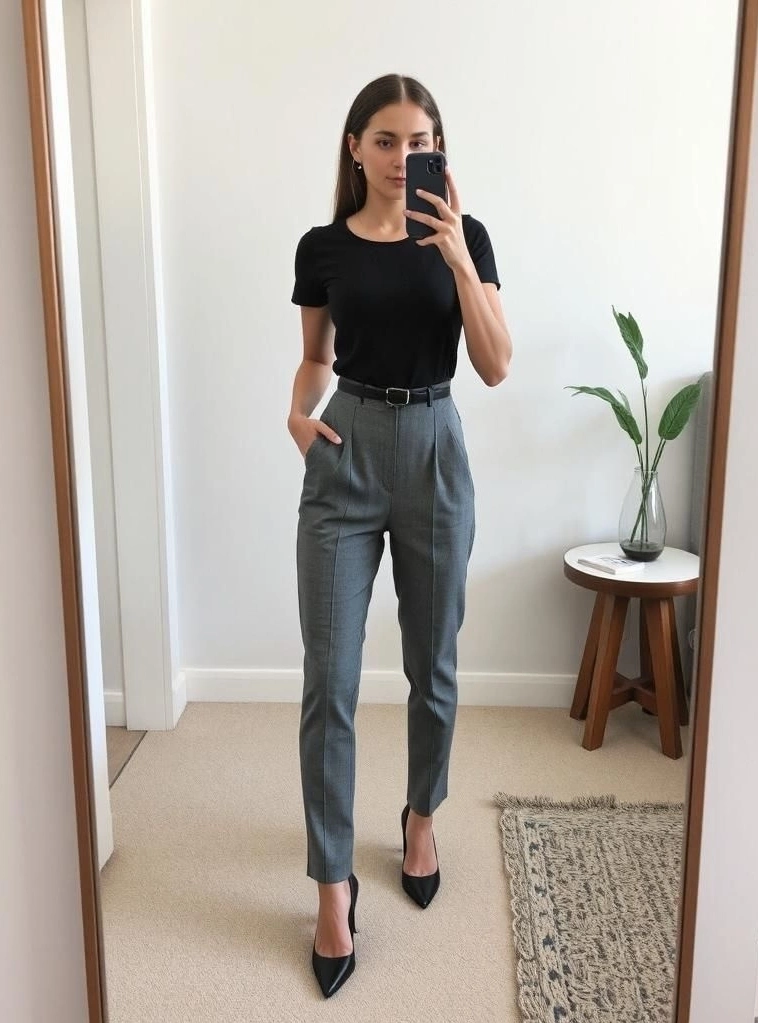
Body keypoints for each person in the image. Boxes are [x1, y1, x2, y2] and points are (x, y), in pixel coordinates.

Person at [287, 73, 512, 998]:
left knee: (434, 661)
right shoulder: (323, 247)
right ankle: (331, 884)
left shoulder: (467, 236)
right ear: (355, 147)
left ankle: (422, 815)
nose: (402, 157)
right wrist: (298, 416)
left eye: (421, 141)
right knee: (330, 681)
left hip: (434, 447)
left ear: (438, 150)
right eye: (386, 140)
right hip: (345, 451)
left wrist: (456, 257)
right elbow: (315, 357)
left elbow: (496, 365)